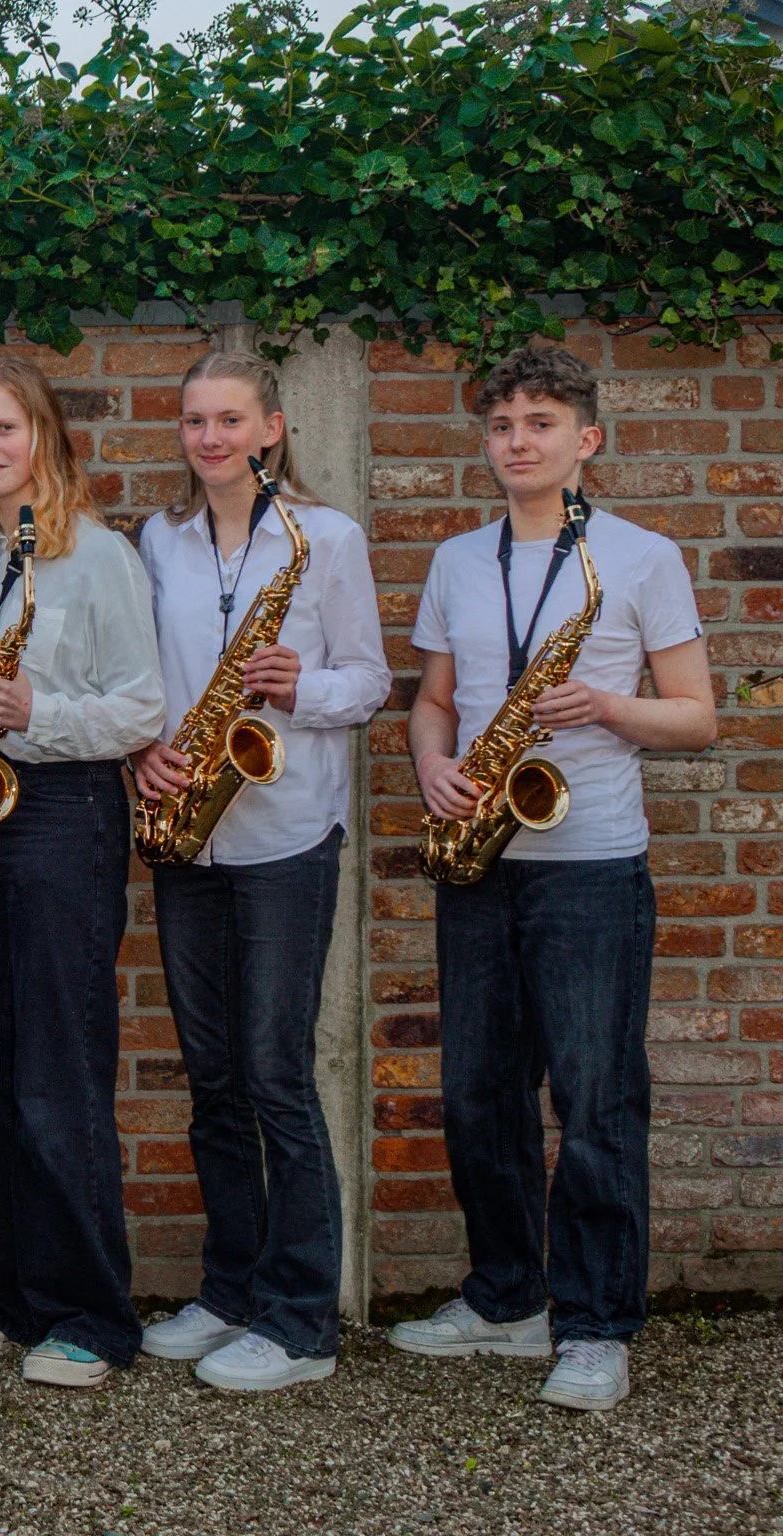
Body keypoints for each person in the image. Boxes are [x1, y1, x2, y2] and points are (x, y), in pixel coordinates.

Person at [389, 345, 714, 1411]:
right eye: (500, 424)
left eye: (538, 423)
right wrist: (432, 762)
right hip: (477, 858)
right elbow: (432, 699)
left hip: (587, 865)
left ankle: (593, 1323)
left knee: (594, 1098)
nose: (515, 441)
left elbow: (696, 715)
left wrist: (607, 707)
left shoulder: (640, 557)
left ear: (586, 441)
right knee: (475, 1094)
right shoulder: (454, 560)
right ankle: (503, 1298)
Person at [0, 356, 166, 1389]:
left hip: (63, 816)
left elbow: (140, 710)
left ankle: (93, 1317)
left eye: (4, 430)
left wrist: (36, 718)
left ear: (42, 437)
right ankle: (8, 1290)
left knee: (57, 1073)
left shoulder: (98, 558)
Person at [129, 353, 390, 1391]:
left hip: (285, 833)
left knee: (276, 1077)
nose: (210, 438)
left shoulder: (324, 540)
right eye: (193, 420)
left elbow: (367, 679)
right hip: (187, 833)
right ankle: (229, 1288)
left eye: (229, 419)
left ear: (270, 429)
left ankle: (299, 1323)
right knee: (214, 1083)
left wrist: (300, 685)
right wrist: (140, 748)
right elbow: (141, 675)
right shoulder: (158, 539)